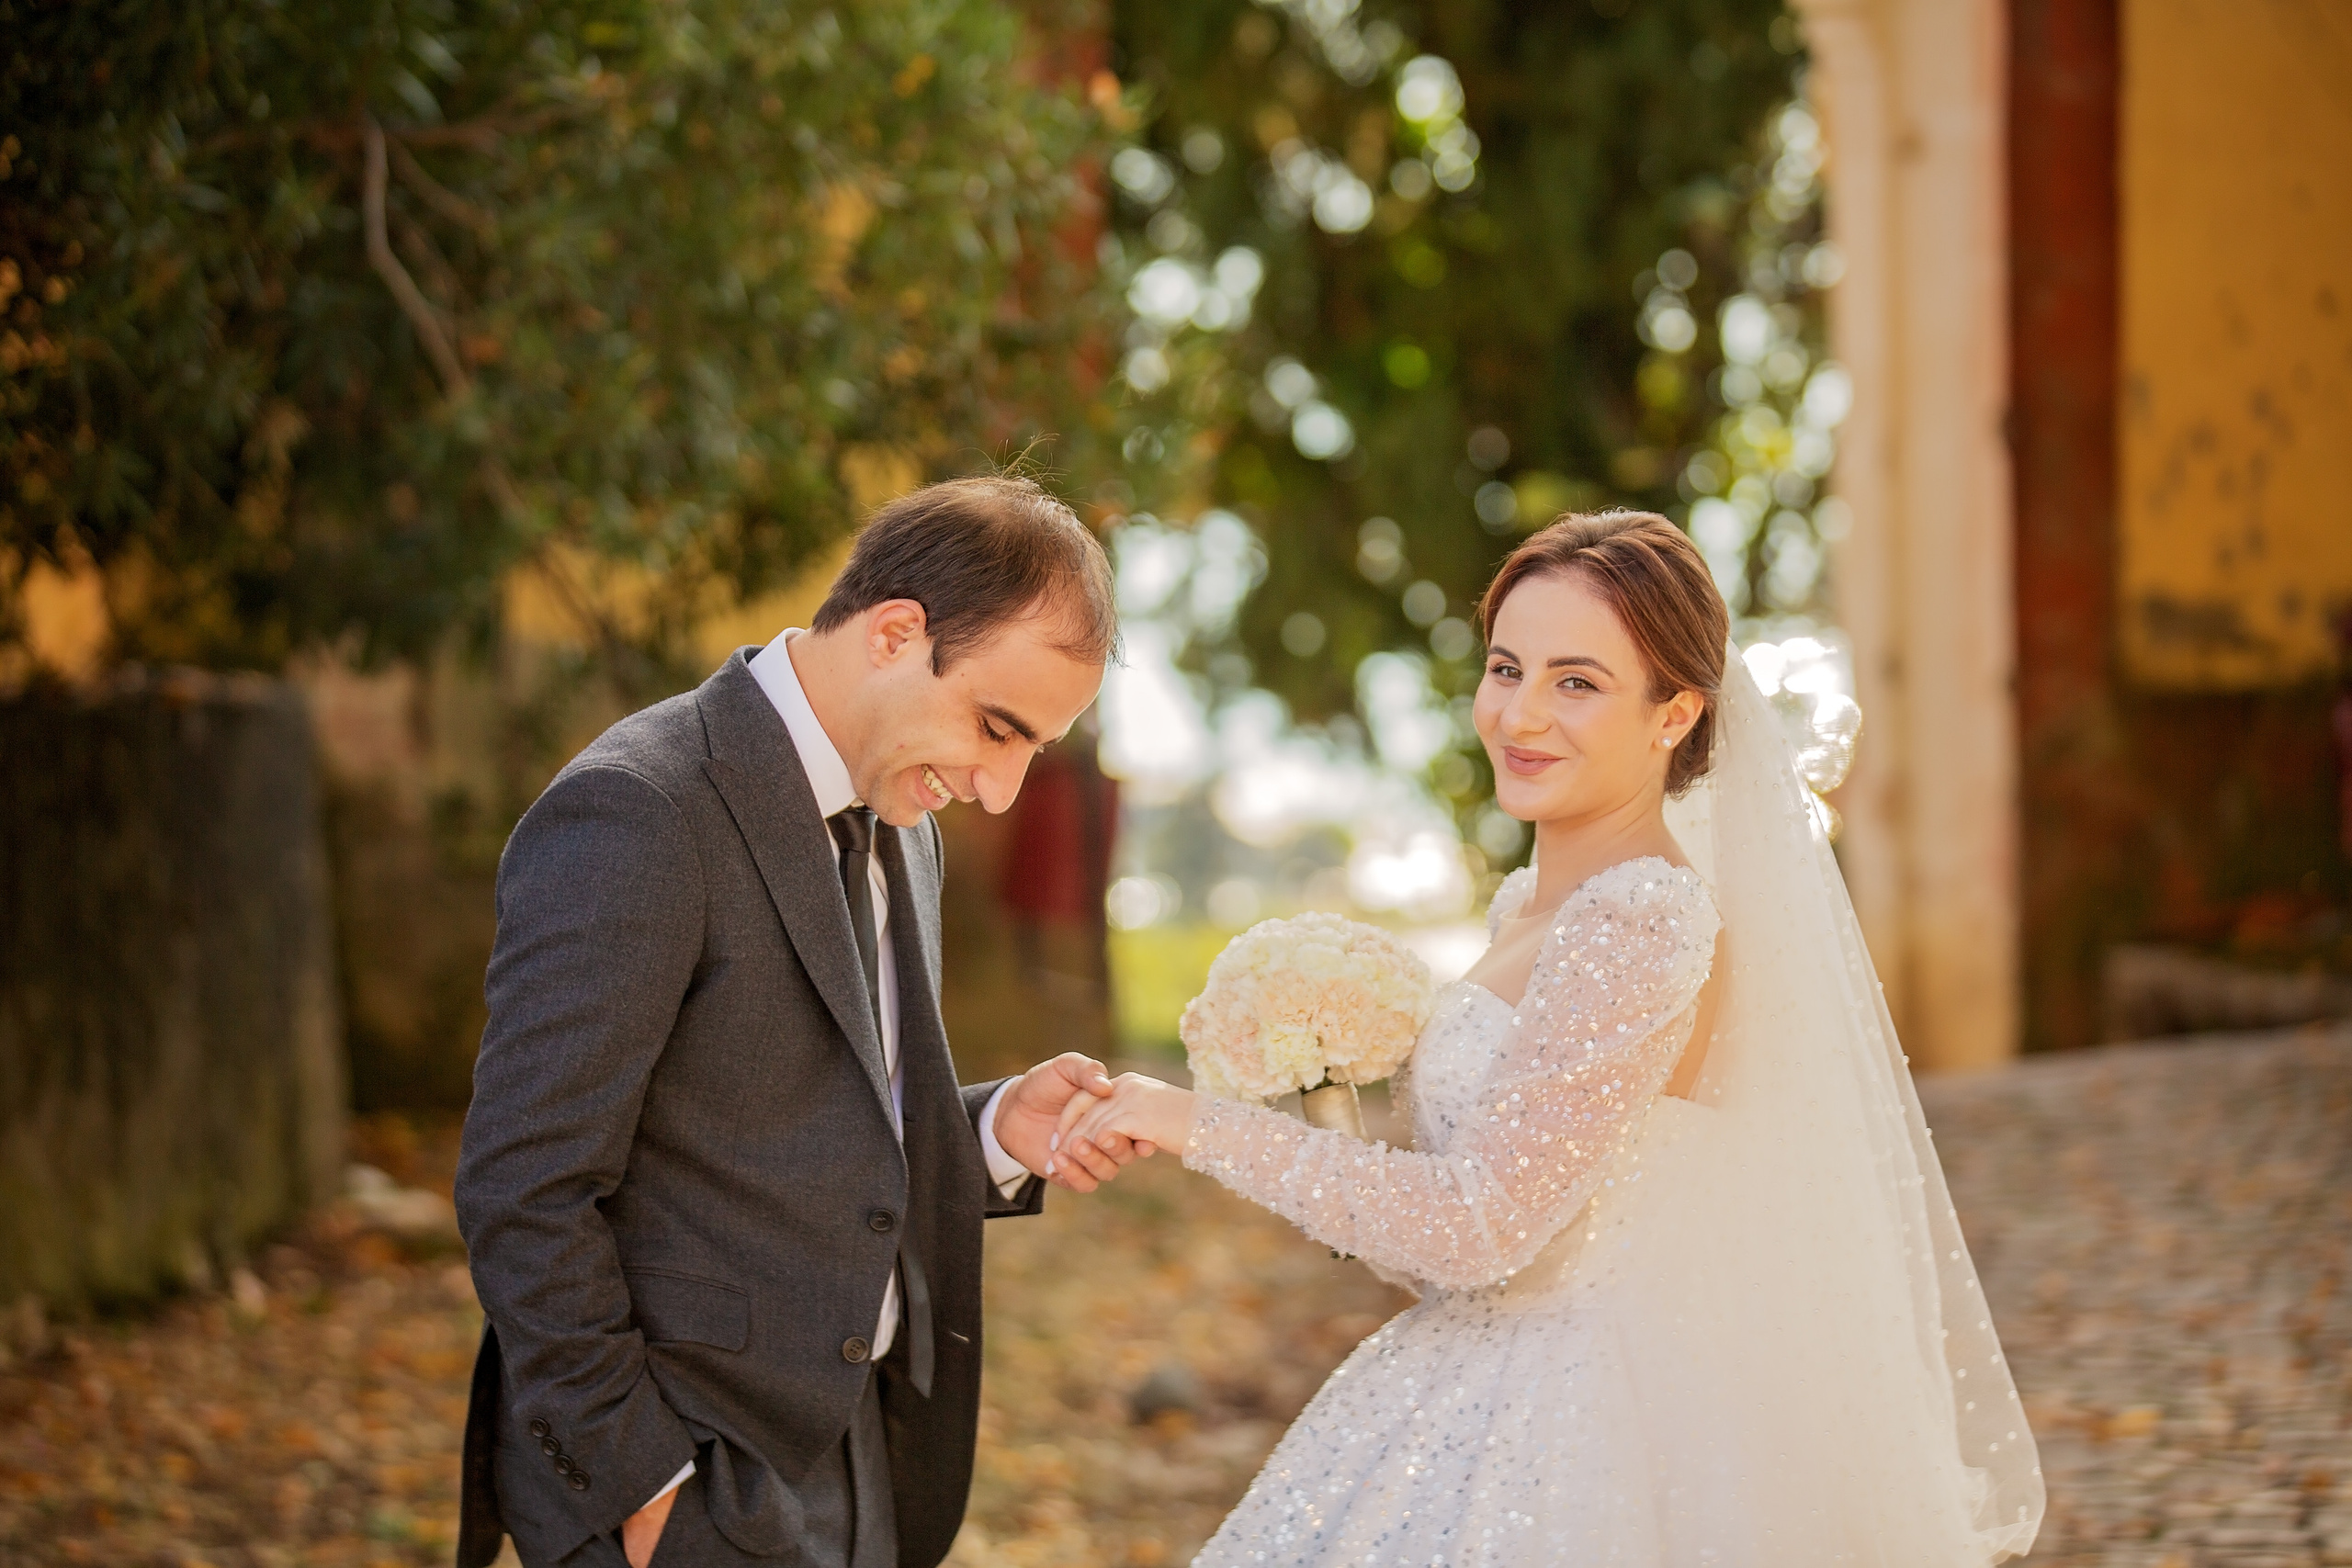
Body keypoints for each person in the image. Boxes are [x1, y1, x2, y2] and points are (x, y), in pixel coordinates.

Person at [1065, 511, 2046, 1564]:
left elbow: (1479, 1230)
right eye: (1504, 668)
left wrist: (1192, 1123)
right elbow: (1473, 1250)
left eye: (1576, 682)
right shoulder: (1533, 905)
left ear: (1674, 714)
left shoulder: (1639, 922)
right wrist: (1322, 1097)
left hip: (1576, 1429)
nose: (1519, 715)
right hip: (1470, 1376)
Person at [454, 475, 1144, 1568]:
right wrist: (644, 1486)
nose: (1001, 790)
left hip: (861, 1463)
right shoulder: (641, 810)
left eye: (1031, 751)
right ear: (895, 633)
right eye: (995, 729)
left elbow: (809, 1121)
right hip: (684, 1479)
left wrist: (989, 1129)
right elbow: (522, 1184)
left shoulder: (902, 818)